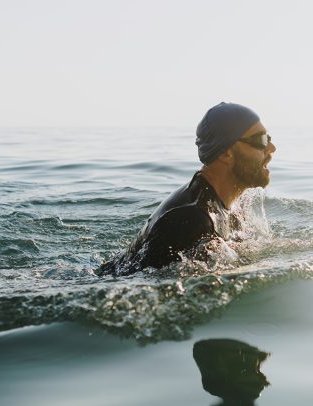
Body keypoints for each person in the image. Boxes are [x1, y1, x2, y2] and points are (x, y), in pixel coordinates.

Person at [97, 102, 275, 276]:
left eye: (269, 139)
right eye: (261, 140)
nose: (272, 148)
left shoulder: (232, 206)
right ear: (225, 153)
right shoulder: (191, 220)